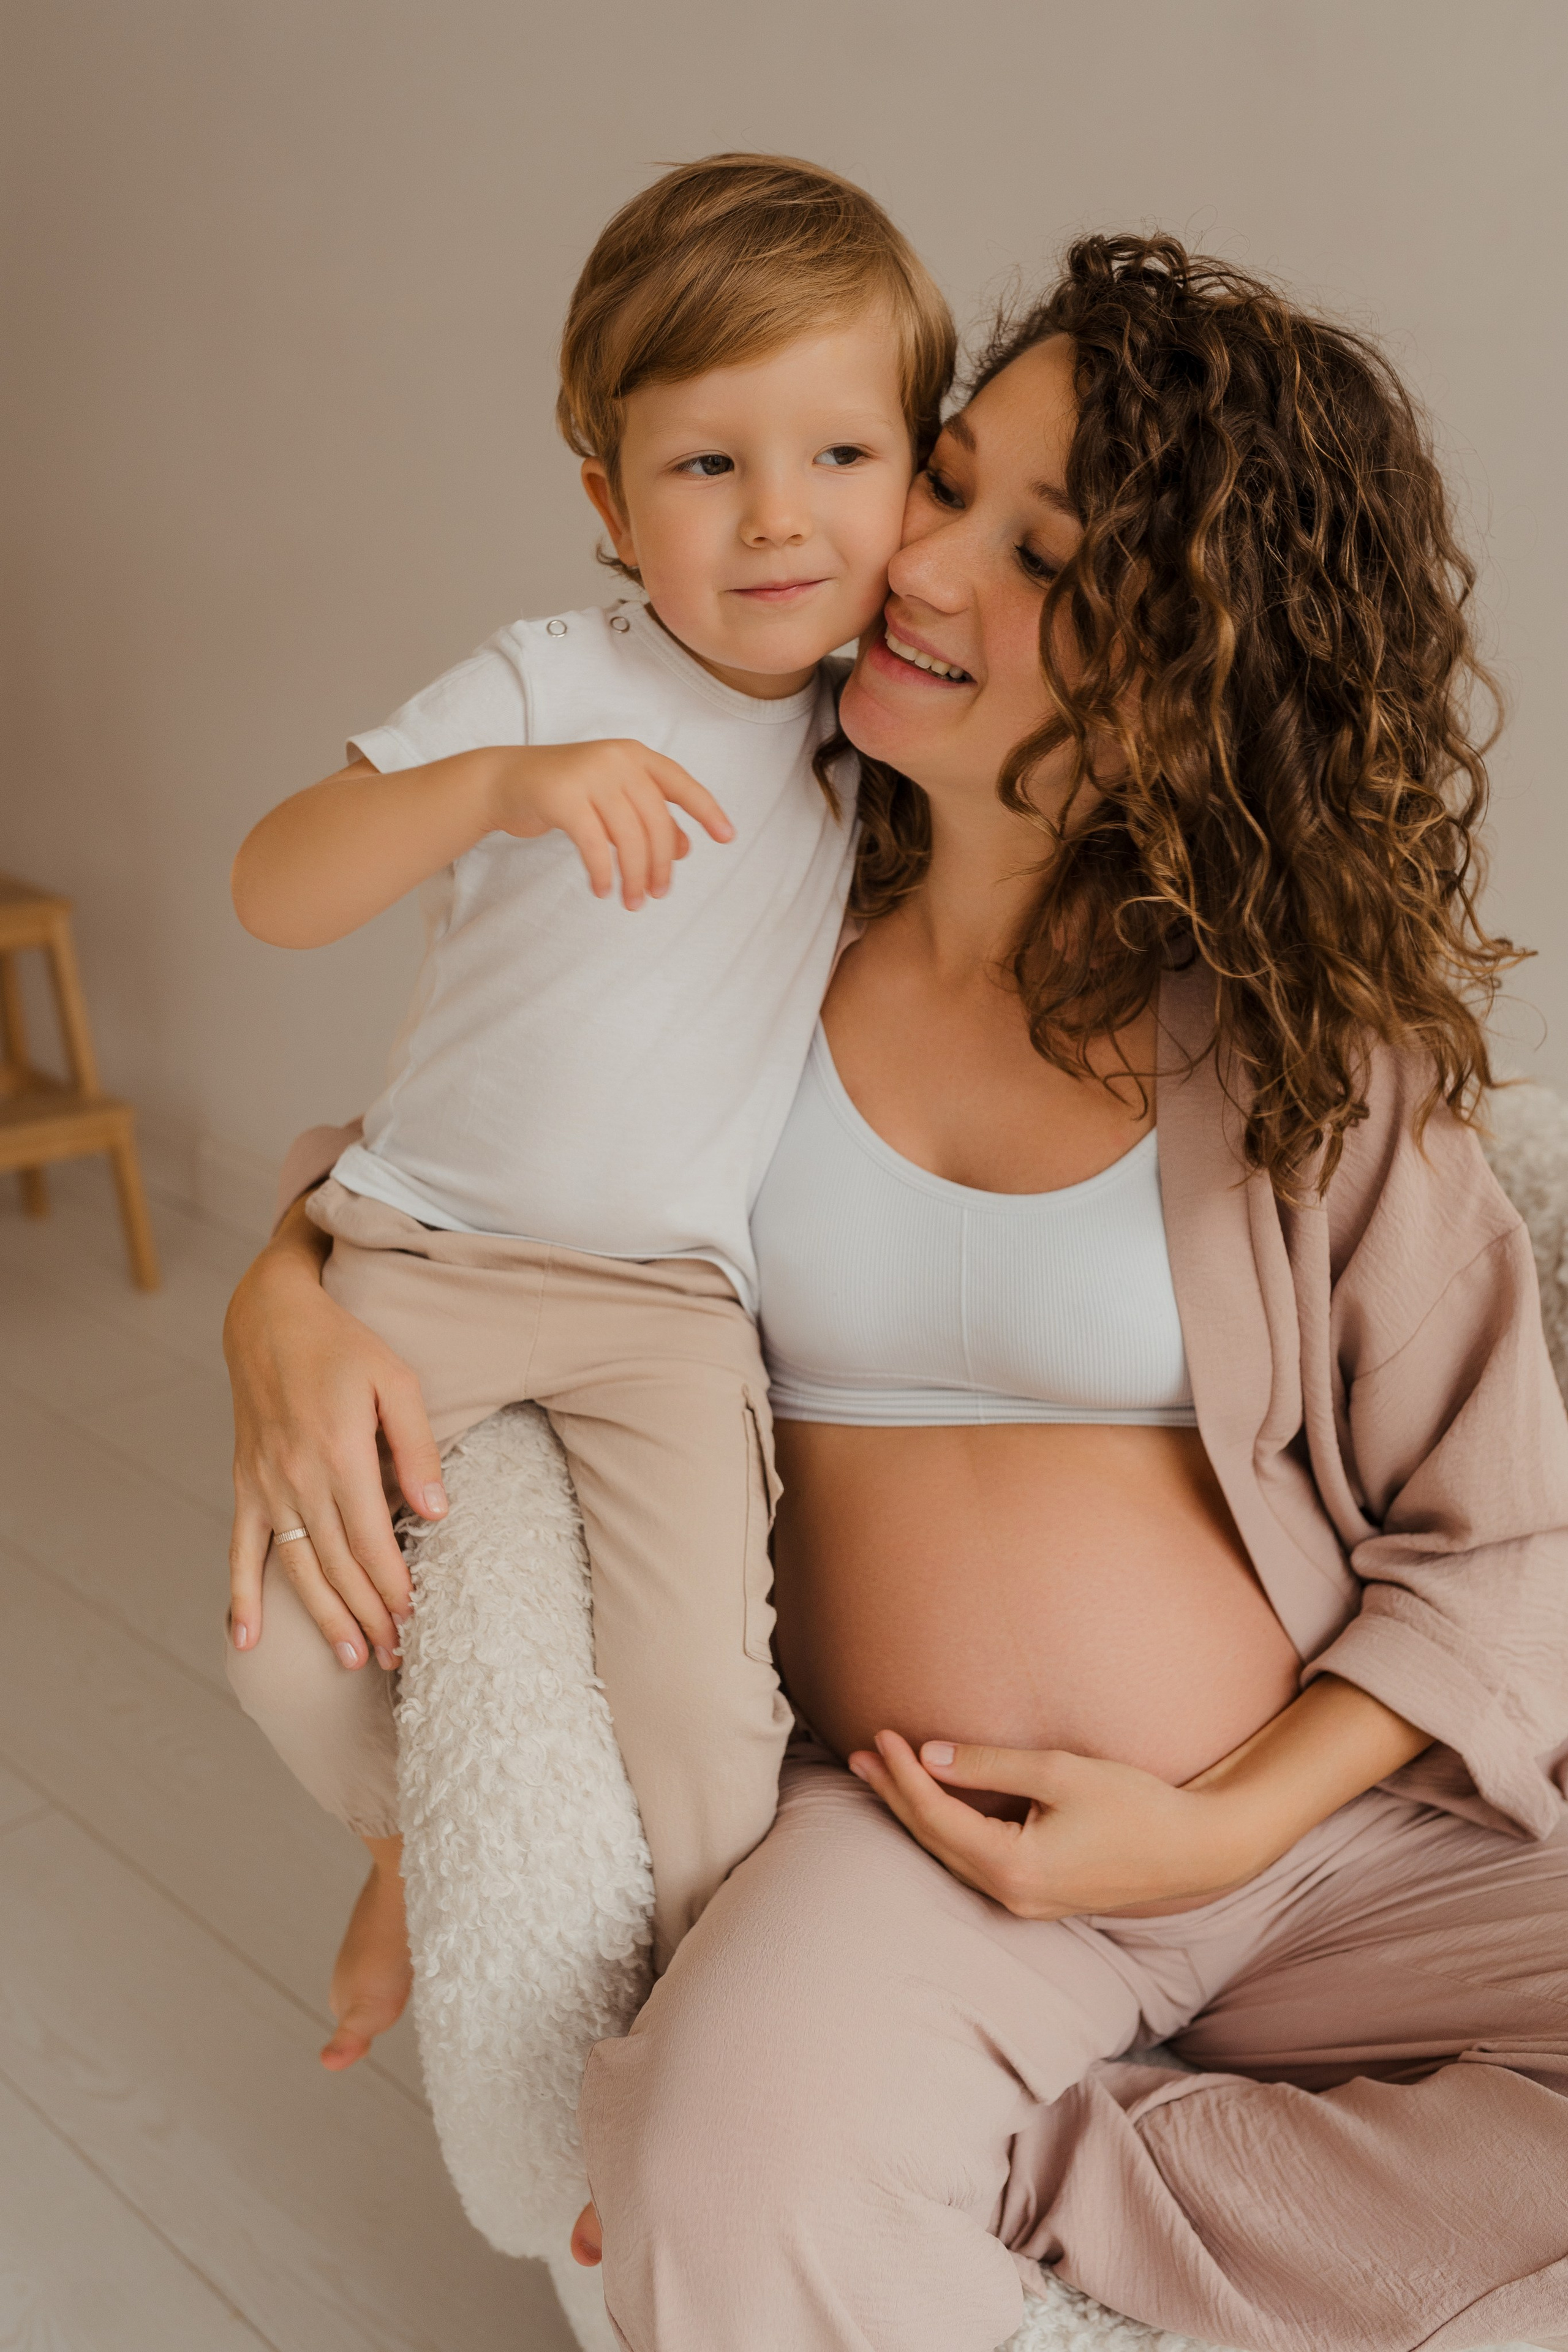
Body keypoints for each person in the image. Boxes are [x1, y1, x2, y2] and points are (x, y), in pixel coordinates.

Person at [226, 235, 1568, 2352]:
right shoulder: (730, 922)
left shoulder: (1310, 1047)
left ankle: (1080, 2165)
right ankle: (950, 2124)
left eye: (1040, 555)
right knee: (724, 2172)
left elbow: (1502, 1543)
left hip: (1322, 1842)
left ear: (1182, 667)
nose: (918, 564)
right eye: (944, 484)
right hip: (919, 1844)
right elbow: (459, 1169)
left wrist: (1216, 1821)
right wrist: (283, 1291)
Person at [224, 151, 954, 2032]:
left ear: (919, 481)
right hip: (434, 1257)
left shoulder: (881, 733)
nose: (779, 519)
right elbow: (272, 885)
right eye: (709, 464)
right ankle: (408, 1849)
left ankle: (700, 2047)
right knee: (300, 1653)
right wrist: (489, 789)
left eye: (841, 459)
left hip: (669, 1309)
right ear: (611, 506)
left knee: (712, 1709)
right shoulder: (549, 681)